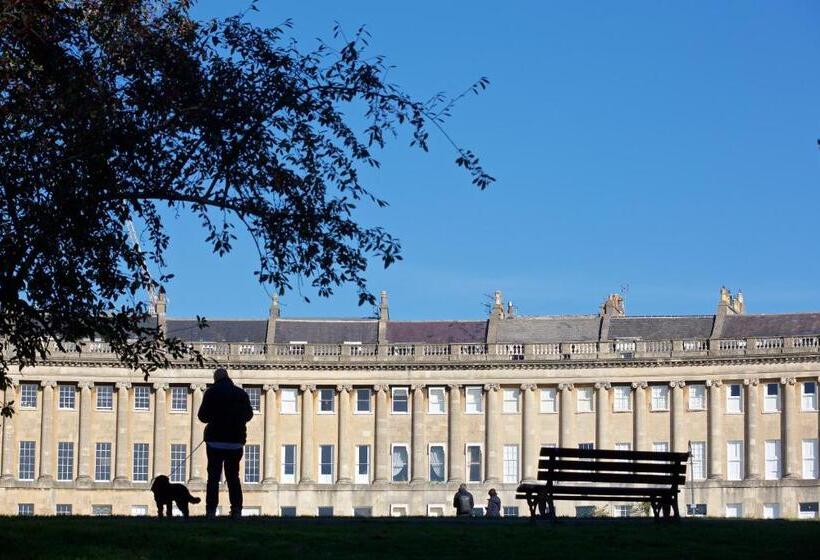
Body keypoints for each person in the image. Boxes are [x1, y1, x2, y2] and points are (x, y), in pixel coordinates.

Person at [197, 367, 254, 519]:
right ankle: (236, 510)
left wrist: (215, 418)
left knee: (213, 478)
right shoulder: (240, 393)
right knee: (233, 477)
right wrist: (237, 420)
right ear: (228, 378)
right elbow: (249, 415)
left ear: (216, 379)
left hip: (215, 441)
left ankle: (211, 511)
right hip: (235, 442)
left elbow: (202, 416)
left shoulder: (211, 393)